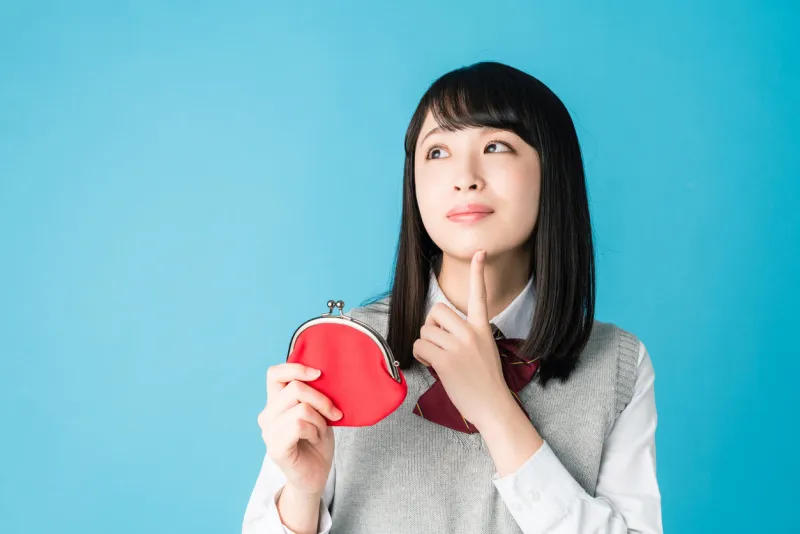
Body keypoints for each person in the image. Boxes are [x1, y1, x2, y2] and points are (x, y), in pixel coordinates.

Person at [242, 61, 663, 534]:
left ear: (553, 172)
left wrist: (494, 408)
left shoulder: (619, 365)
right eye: (437, 151)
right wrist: (303, 492)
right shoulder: (344, 348)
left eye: (496, 146)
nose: (465, 177)